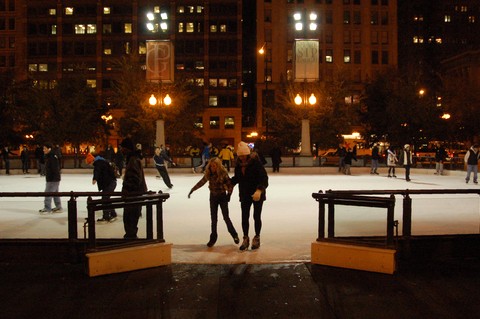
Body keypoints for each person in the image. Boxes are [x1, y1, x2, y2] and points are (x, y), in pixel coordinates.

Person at [188, 157, 239, 247]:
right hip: (213, 197)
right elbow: (202, 182)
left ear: (218, 166)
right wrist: (193, 189)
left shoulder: (223, 173)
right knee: (213, 219)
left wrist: (229, 195)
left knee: (226, 217)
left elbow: (230, 185)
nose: (213, 168)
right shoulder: (209, 173)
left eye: (214, 166)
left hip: (222, 197)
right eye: (211, 166)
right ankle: (213, 238)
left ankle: (234, 235)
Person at [231, 141, 269, 251]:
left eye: (243, 155)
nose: (242, 157)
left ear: (247, 154)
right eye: (240, 155)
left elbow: (264, 179)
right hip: (244, 194)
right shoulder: (238, 165)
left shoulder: (256, 163)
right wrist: (228, 183)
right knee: (244, 216)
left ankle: (257, 237)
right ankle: (245, 238)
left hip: (257, 194)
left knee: (256, 216)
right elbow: (237, 178)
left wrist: (259, 190)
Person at [120, 138, 148, 239]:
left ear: (126, 149)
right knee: (130, 219)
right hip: (134, 195)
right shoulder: (133, 159)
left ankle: (130, 239)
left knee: (129, 219)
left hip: (133, 196)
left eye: (122, 148)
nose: (121, 150)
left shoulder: (133, 160)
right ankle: (131, 237)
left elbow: (134, 179)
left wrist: (127, 189)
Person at [86, 153, 118, 223]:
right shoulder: (101, 161)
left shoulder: (98, 163)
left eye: (89, 163)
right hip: (110, 183)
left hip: (109, 183)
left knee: (104, 199)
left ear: (91, 161)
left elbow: (97, 171)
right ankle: (113, 214)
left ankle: (106, 216)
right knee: (106, 199)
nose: (90, 165)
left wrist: (95, 179)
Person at [39, 143, 62, 214]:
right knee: (55, 193)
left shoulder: (52, 157)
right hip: (54, 178)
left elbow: (55, 168)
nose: (43, 150)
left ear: (49, 149)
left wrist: (53, 178)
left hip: (52, 179)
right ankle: (58, 207)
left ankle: (47, 208)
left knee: (48, 193)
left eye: (45, 148)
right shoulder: (50, 156)